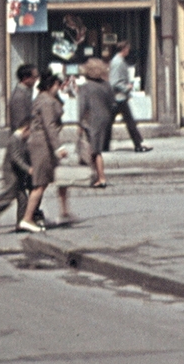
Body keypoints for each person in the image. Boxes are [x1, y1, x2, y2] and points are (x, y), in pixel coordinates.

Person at [19, 71, 73, 232]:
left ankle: (61, 212)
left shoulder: (43, 98)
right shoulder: (47, 101)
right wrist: (59, 147)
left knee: (46, 181)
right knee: (40, 183)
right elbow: (49, 125)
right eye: (57, 85)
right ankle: (27, 219)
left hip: (41, 144)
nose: (59, 88)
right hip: (43, 145)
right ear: (50, 85)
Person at [77, 57, 115, 188]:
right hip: (105, 119)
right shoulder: (107, 85)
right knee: (96, 149)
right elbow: (112, 103)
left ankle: (101, 177)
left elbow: (83, 106)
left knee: (95, 150)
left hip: (92, 120)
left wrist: (79, 123)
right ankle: (96, 176)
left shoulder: (85, 87)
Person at [109, 40, 150, 151]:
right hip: (119, 98)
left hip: (119, 98)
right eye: (127, 49)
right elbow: (114, 82)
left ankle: (103, 145)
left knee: (110, 122)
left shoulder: (119, 61)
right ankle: (138, 145)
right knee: (129, 122)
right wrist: (126, 87)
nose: (128, 51)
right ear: (124, 49)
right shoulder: (118, 62)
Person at [9, 64, 38, 131]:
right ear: (25, 78)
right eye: (34, 77)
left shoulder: (26, 92)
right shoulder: (19, 96)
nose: (36, 80)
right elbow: (20, 124)